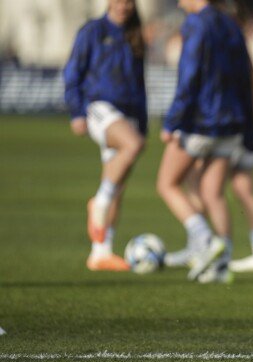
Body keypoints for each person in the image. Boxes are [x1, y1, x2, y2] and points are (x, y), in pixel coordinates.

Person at [163, 0, 253, 274]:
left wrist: (173, 121)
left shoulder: (196, 23)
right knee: (213, 192)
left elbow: (189, 76)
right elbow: (245, 78)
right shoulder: (230, 24)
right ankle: (221, 263)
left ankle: (202, 238)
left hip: (203, 120)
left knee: (167, 183)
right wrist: (248, 128)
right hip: (233, 123)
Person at [63, 0, 147, 271]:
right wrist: (77, 112)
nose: (124, 6)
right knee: (132, 146)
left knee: (118, 186)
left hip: (128, 112)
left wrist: (142, 121)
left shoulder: (135, 33)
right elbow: (73, 72)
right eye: (120, 0)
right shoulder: (93, 30)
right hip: (100, 107)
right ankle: (97, 202)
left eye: (129, 2)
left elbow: (139, 82)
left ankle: (100, 251)